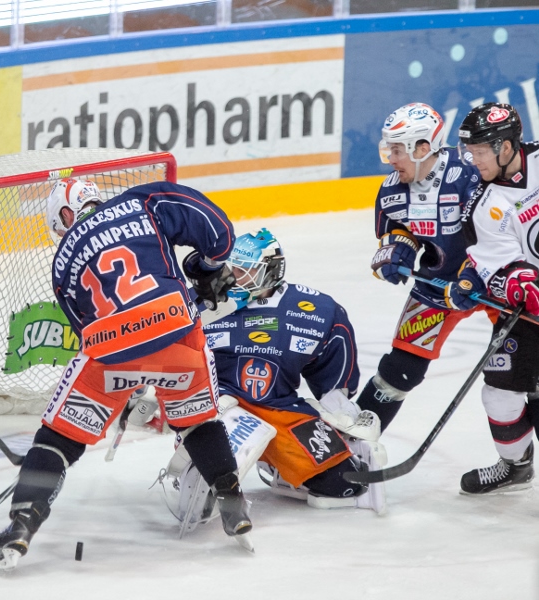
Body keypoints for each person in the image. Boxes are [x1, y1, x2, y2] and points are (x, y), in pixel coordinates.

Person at [0, 177, 246, 570]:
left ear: (66, 214)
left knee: (58, 438)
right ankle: (233, 504)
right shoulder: (144, 201)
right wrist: (205, 269)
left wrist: (127, 382)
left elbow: (85, 328)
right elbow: (218, 229)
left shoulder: (62, 260)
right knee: (199, 420)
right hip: (179, 334)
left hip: (111, 350)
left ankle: (20, 528)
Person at [163, 229, 385, 528]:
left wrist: (338, 410)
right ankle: (204, 465)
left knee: (343, 485)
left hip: (280, 412)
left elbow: (335, 380)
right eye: (230, 268)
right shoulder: (197, 304)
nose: (233, 277)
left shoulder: (317, 310)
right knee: (201, 504)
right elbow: (163, 354)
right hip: (218, 409)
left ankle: (284, 470)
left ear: (271, 270)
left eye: (243, 270)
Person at [355, 102, 484, 433]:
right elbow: (398, 230)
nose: (391, 158)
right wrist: (395, 251)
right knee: (400, 369)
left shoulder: (469, 175)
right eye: (390, 149)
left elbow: (495, 235)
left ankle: (516, 463)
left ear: (423, 148)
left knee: (521, 371)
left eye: (397, 150)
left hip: (496, 280)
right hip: (439, 284)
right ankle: (349, 446)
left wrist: (474, 276)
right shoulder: (391, 190)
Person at [453, 102, 539, 494]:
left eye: (481, 151)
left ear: (506, 147)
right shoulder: (483, 206)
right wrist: (517, 281)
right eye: (469, 151)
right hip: (528, 315)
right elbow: (501, 269)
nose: (474, 160)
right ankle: (515, 466)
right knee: (499, 394)